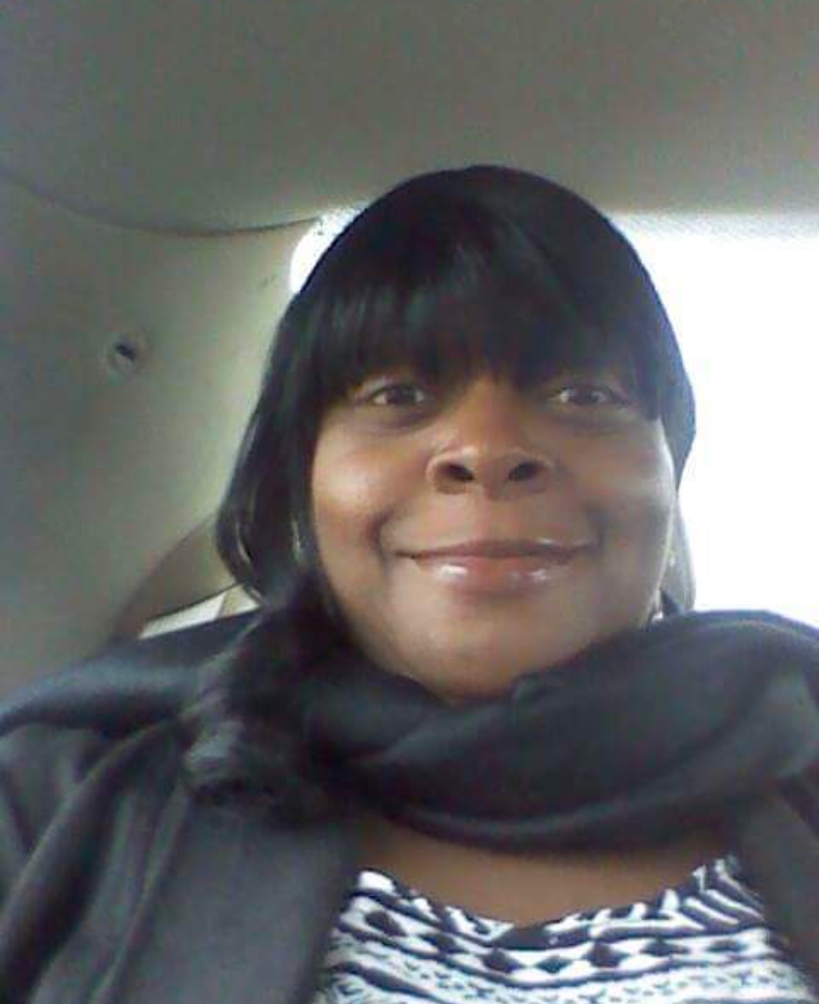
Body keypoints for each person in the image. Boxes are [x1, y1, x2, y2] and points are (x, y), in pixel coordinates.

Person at [1, 165, 819, 1003]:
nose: (485, 450)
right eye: (397, 394)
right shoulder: (53, 796)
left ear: (667, 470)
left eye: (583, 394)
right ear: (301, 477)